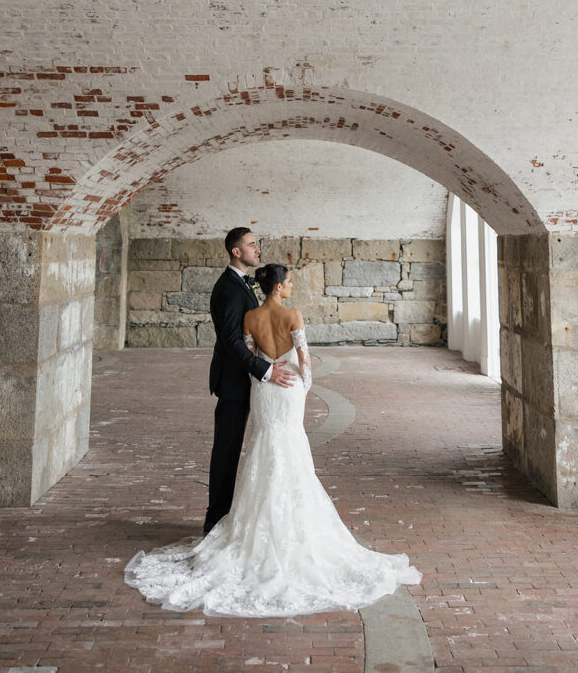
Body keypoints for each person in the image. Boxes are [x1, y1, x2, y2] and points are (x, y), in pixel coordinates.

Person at [124, 263, 421, 617]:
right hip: (289, 387)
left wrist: (263, 381)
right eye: (290, 282)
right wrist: (303, 388)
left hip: (264, 388)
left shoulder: (251, 317)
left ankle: (252, 527)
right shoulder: (293, 315)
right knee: (291, 448)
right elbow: (305, 361)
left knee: (263, 447)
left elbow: (250, 356)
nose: (292, 286)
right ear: (278, 287)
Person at [203, 227, 295, 535]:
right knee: (226, 450)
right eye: (252, 245)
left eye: (256, 244)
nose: (258, 249)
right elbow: (231, 340)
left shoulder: (241, 283)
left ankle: (227, 517)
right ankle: (215, 521)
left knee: (234, 448)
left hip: (244, 380)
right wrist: (265, 370)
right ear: (236, 252)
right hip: (233, 382)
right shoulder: (228, 289)